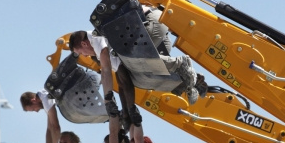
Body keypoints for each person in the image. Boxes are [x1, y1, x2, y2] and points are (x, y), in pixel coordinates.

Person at [68, 27, 200, 114]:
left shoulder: (98, 42)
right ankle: (188, 83)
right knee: (141, 79)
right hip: (153, 40)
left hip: (152, 32)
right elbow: (121, 81)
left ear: (84, 44)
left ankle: (180, 63)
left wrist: (126, 107)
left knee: (136, 64)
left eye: (80, 52)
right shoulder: (98, 51)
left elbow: (118, 75)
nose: (84, 56)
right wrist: (126, 110)